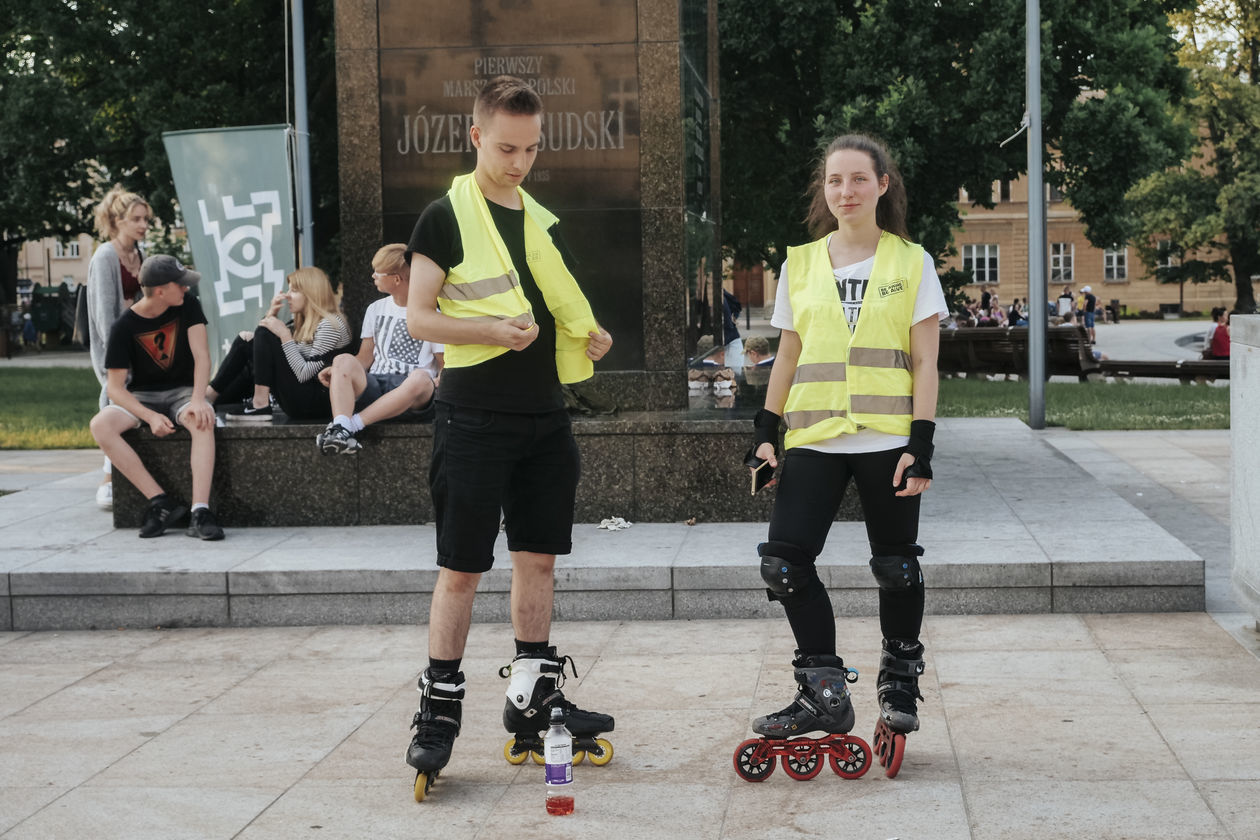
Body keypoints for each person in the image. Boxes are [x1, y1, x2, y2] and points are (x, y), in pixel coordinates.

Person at [400, 75, 616, 791]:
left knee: (538, 561)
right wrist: (490, 331)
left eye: (530, 149)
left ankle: (532, 698)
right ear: (476, 137)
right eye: (506, 148)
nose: (520, 162)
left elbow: (553, 305)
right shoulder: (444, 216)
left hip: (545, 416)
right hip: (472, 416)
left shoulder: (541, 219)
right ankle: (437, 709)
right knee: (461, 568)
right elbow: (419, 318)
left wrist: (588, 336)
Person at [746, 134, 947, 771]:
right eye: (835, 180)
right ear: (824, 189)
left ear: (882, 185)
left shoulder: (912, 261)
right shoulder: (800, 263)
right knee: (783, 563)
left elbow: (925, 360)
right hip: (815, 437)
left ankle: (900, 679)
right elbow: (788, 354)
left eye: (859, 179)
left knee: (897, 565)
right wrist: (765, 431)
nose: (846, 191)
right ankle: (823, 692)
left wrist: (921, 444)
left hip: (888, 439)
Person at [88, 255, 224, 540]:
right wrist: (149, 417)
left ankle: (200, 511)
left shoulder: (188, 305)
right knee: (100, 425)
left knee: (202, 419)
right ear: (161, 291)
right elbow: (115, 389)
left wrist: (198, 399)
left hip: (183, 392)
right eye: (180, 284)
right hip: (143, 396)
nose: (186, 288)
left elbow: (202, 357)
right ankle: (160, 502)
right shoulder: (123, 327)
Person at [315, 244, 444, 454]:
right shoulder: (375, 309)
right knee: (342, 359)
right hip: (377, 382)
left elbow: (444, 365)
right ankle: (340, 426)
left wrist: (438, 380)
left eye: (378, 272)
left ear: (396, 279)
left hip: (412, 394)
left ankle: (350, 426)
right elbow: (365, 358)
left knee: (421, 378)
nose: (373, 275)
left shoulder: (430, 314)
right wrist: (339, 371)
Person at [207, 267, 351, 422]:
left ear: (311, 293)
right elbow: (263, 352)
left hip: (316, 402)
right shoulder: (301, 324)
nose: (287, 295)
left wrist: (284, 335)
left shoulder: (331, 325)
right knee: (245, 341)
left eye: (294, 290)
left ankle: (260, 405)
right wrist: (271, 315)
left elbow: (304, 374)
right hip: (299, 396)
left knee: (263, 333)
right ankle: (209, 398)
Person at [87, 186, 152, 510]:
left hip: (142, 346)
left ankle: (125, 475)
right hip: (115, 348)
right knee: (113, 399)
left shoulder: (140, 255)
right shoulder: (105, 256)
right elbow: (104, 318)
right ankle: (108, 477)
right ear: (117, 221)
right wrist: (121, 354)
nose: (143, 225)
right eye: (136, 219)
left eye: (145, 219)